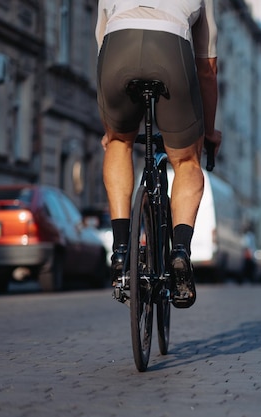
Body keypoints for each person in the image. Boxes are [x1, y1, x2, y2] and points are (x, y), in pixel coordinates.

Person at [95, 0, 221, 308]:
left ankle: (122, 248)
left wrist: (110, 130)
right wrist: (208, 132)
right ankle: (179, 251)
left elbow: (101, 44)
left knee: (118, 144)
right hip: (171, 50)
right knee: (187, 161)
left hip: (116, 49)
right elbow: (207, 68)